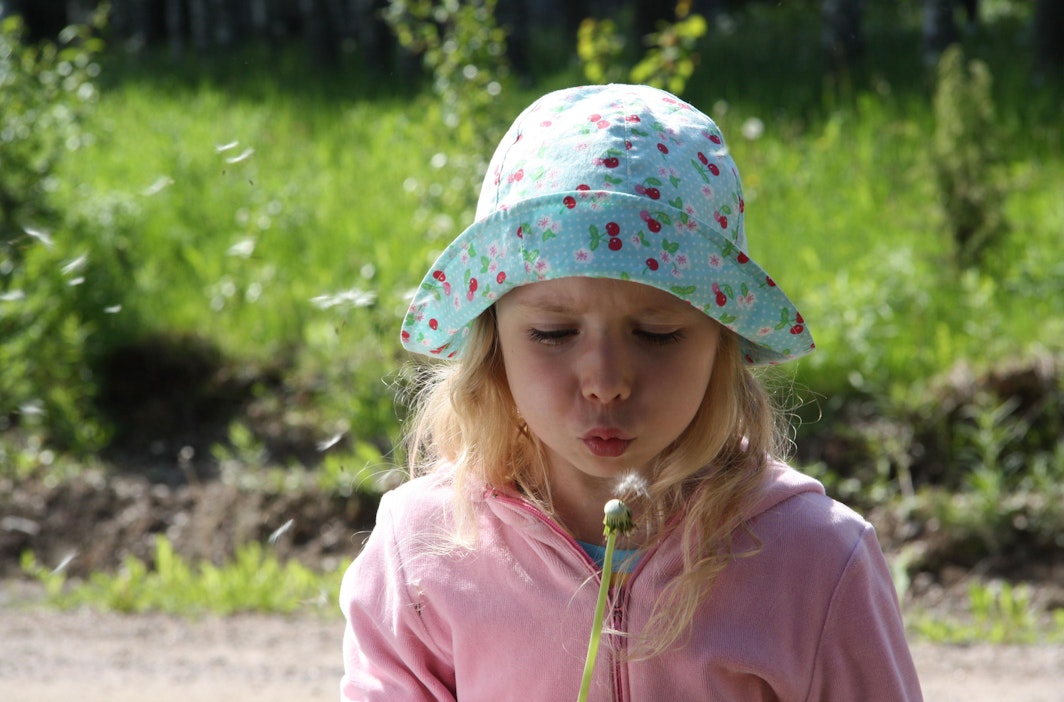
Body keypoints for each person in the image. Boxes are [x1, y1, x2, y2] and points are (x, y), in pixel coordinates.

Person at [339, 83, 922, 701]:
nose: (606, 382)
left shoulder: (813, 560)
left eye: (656, 334)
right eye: (553, 333)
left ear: (721, 343)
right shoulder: (424, 552)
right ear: (492, 342)